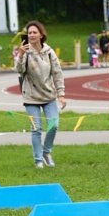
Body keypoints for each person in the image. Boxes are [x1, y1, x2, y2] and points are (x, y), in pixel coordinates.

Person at [14, 20, 66, 169]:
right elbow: (19, 70)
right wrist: (21, 55)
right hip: (31, 97)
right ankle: (38, 160)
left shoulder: (49, 52)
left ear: (41, 35)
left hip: (49, 96)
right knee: (36, 129)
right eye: (29, 33)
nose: (31, 35)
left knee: (53, 125)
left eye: (34, 32)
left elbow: (57, 73)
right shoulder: (25, 52)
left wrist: (61, 94)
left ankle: (46, 152)